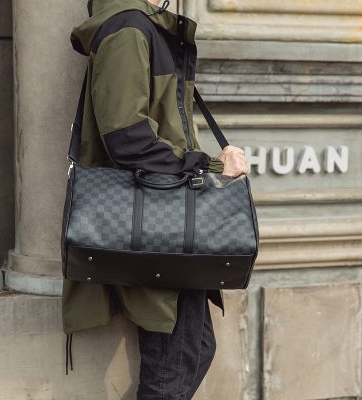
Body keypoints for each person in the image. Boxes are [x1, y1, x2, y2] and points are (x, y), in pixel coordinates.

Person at [63, 0, 249, 398]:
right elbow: (126, 138)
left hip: (165, 215)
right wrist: (212, 167)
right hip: (158, 224)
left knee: (193, 351)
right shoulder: (128, 28)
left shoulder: (142, 26)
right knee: (171, 370)